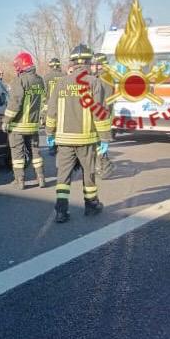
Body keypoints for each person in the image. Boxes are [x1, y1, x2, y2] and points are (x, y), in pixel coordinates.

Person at [45, 44, 112, 223]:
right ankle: (91, 205)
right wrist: (105, 137)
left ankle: (61, 210)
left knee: (63, 176)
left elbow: (52, 111)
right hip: (87, 140)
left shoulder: (61, 83)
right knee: (88, 174)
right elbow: (100, 113)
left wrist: (49, 133)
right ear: (89, 62)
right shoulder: (94, 82)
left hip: (64, 140)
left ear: (72, 62)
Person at [2, 51, 46, 189]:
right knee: (36, 152)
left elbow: (15, 103)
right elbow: (43, 102)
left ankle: (19, 181)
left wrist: (6, 121)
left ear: (20, 65)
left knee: (17, 153)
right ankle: (41, 178)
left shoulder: (19, 80)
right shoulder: (39, 80)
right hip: (33, 126)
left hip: (18, 126)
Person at [92, 52, 115, 179]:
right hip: (102, 113)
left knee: (100, 143)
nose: (93, 66)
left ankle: (106, 167)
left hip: (102, 114)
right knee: (98, 143)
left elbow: (103, 99)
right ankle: (101, 166)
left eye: (95, 64)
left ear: (100, 65)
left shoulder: (104, 78)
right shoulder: (104, 76)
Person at [41, 57, 65, 125]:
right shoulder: (65, 76)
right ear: (59, 65)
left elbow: (43, 93)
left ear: (50, 66)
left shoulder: (46, 77)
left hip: (49, 106)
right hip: (62, 105)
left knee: (50, 127)